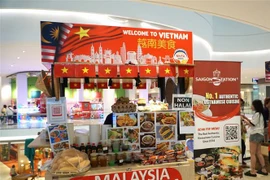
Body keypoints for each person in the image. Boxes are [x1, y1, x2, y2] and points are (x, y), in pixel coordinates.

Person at [241, 99, 268, 177]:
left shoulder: (257, 114)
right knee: (258, 153)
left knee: (252, 153)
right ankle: (264, 169)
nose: (251, 106)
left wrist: (242, 119)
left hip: (255, 135)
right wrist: (245, 118)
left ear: (255, 106)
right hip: (260, 135)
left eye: (252, 105)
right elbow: (253, 123)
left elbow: (252, 124)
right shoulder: (260, 114)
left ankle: (252, 171)